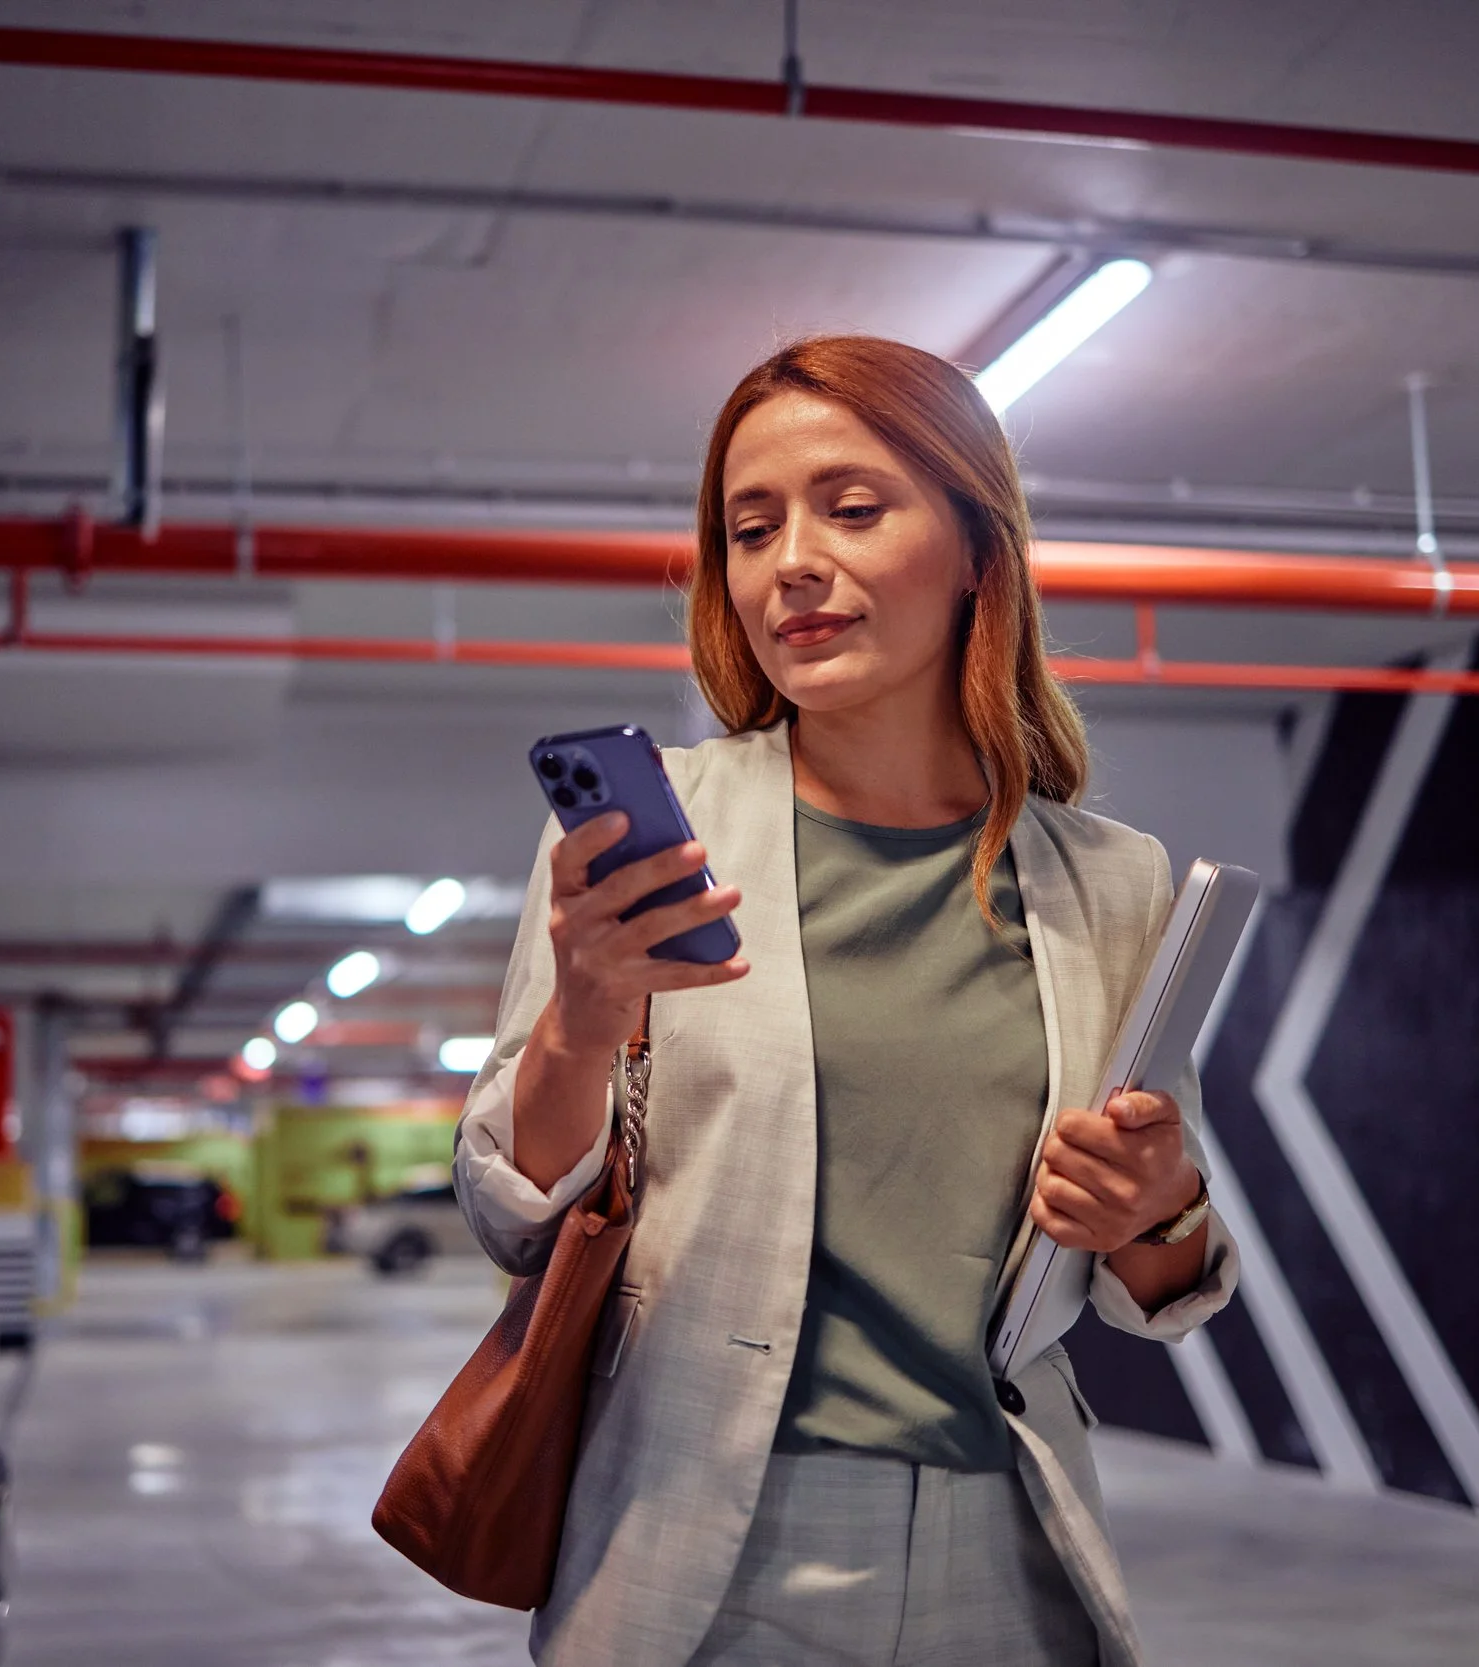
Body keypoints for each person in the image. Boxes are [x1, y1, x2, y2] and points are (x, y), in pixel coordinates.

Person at [454, 335, 1239, 1667]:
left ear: (978, 547)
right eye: (750, 528)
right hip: (702, 1540)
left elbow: (1155, 1283)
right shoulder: (662, 838)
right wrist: (579, 1022)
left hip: (1010, 1544)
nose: (791, 562)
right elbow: (510, 1209)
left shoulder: (1110, 880)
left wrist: (1158, 1201)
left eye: (853, 509)